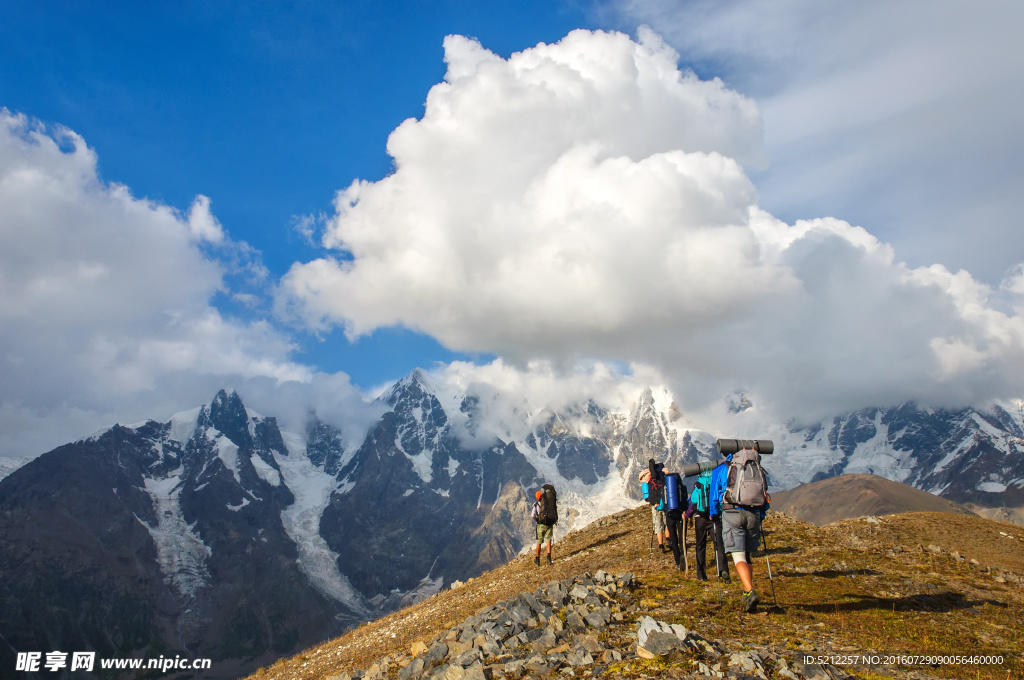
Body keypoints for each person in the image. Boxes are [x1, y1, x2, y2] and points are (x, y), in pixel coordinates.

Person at [710, 445, 769, 612]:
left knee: (738, 556)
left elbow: (714, 494)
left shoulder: (722, 469)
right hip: (754, 514)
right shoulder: (756, 468)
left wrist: (713, 514)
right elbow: (764, 493)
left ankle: (749, 590)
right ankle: (746, 590)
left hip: (732, 513)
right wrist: (761, 514)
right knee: (748, 555)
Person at [686, 470, 729, 582]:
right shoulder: (715, 482)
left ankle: (701, 574)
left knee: (700, 546)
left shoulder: (698, 484)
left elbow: (693, 501)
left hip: (700, 518)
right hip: (715, 518)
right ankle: (723, 571)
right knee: (719, 545)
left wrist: (687, 515)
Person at [640, 461, 670, 553]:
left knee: (658, 526)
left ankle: (661, 545)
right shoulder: (663, 476)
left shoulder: (647, 478)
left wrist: (653, 502)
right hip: (665, 503)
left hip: (655, 506)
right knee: (667, 523)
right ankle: (668, 539)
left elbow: (646, 496)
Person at [663, 471, 687, 570]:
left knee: (673, 539)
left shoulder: (665, 488)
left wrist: (666, 511)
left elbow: (663, 503)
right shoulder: (683, 487)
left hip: (670, 516)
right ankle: (683, 557)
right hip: (681, 515)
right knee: (682, 539)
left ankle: (677, 562)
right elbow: (685, 501)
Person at [532, 484, 558, 565]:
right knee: (548, 540)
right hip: (549, 523)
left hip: (540, 524)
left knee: (539, 542)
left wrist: (537, 520)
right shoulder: (547, 503)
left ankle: (537, 559)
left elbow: (533, 515)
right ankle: (549, 558)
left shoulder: (536, 504)